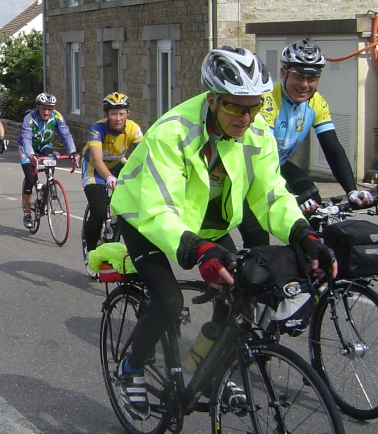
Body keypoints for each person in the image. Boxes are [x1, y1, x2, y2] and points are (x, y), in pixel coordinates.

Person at [109, 46, 337, 420]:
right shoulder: (172, 132)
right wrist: (198, 251)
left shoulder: (256, 132)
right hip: (144, 217)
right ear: (213, 100)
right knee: (168, 302)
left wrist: (304, 235)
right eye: (237, 107)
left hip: (207, 222)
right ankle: (131, 368)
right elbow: (157, 209)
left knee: (240, 295)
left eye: (254, 106)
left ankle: (207, 365)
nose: (247, 117)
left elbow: (270, 194)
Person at [239, 39, 374, 248]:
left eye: (312, 78)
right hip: (247, 170)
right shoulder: (267, 99)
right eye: (299, 76)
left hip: (279, 164)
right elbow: (264, 155)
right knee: (258, 242)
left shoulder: (316, 102)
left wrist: (351, 190)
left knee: (313, 202)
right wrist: (285, 195)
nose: (304, 84)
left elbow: (332, 148)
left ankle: (308, 265)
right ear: (284, 73)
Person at [80, 92, 143, 273]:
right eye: (113, 114)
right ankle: (91, 255)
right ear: (106, 114)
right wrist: (108, 177)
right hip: (95, 169)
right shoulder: (97, 129)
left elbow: (144, 156)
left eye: (121, 113)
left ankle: (117, 226)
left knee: (135, 202)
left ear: (127, 114)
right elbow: (98, 160)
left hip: (117, 165)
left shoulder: (133, 128)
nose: (118, 118)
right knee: (99, 212)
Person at [18, 92, 80, 229]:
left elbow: (65, 134)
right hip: (27, 149)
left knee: (50, 156)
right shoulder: (29, 118)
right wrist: (30, 154)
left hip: (44, 145)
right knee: (30, 178)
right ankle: (27, 212)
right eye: (44, 108)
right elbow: (26, 138)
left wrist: (73, 152)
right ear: (38, 107)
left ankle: (49, 182)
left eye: (50, 109)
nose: (47, 112)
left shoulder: (57, 116)